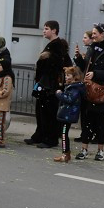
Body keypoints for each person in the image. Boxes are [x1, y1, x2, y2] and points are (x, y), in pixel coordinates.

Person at [75, 23, 104, 161]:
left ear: (103, 34)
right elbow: (86, 67)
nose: (92, 35)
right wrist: (78, 59)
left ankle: (100, 150)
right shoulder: (93, 47)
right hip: (88, 88)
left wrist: (96, 74)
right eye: (92, 33)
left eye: (95, 33)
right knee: (86, 119)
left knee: (99, 120)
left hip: (101, 90)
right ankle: (84, 149)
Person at [28, 20, 70, 148]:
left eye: (46, 29)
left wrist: (45, 58)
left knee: (49, 113)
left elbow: (59, 64)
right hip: (44, 84)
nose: (44, 31)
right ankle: (40, 135)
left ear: (54, 30)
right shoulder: (52, 45)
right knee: (41, 112)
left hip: (51, 86)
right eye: (44, 28)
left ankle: (50, 138)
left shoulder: (57, 46)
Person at [53, 66, 83, 163]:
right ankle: (66, 153)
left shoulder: (75, 88)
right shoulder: (71, 87)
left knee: (64, 134)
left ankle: (65, 154)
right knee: (63, 134)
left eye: (68, 75)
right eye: (66, 75)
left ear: (75, 76)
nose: (66, 77)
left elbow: (69, 99)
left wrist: (59, 94)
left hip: (68, 115)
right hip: (66, 114)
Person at [73, 30, 96, 146]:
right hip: (86, 82)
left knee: (88, 112)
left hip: (89, 83)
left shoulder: (92, 50)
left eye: (85, 37)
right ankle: (85, 134)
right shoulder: (89, 50)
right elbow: (83, 65)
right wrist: (77, 57)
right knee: (85, 112)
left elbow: (85, 67)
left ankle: (88, 134)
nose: (83, 39)